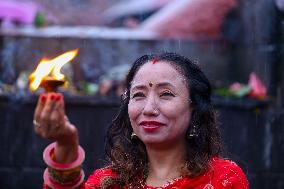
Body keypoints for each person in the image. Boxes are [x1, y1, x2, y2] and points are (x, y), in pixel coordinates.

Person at [33, 52, 249, 189]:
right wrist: (66, 144)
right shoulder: (107, 182)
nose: (149, 109)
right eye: (138, 95)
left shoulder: (224, 179)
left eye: (166, 94)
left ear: (194, 107)